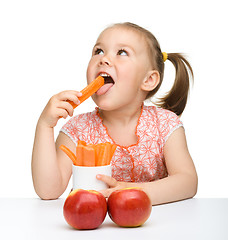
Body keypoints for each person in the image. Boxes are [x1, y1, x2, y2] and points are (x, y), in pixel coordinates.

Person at [32, 22, 198, 205]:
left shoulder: (166, 125)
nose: (103, 59)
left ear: (149, 80)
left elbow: (188, 182)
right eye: (98, 51)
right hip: (92, 227)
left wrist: (131, 192)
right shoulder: (76, 129)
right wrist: (44, 126)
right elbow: (48, 191)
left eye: (122, 52)